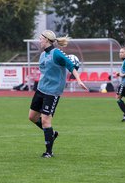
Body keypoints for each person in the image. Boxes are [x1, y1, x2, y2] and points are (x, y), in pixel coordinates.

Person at [28, 30, 88, 158]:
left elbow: (71, 66)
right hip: (41, 89)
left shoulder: (57, 53)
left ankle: (49, 152)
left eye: (40, 38)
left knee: (45, 120)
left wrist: (78, 80)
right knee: (32, 117)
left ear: (46, 40)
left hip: (52, 92)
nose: (39, 40)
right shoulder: (43, 54)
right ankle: (52, 134)